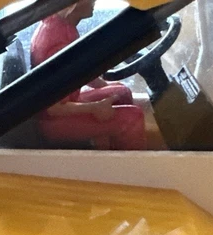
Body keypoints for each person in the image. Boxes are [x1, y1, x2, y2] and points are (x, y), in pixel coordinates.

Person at [30, 0, 147, 150]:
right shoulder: (57, 46)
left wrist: (105, 87)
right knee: (133, 118)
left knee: (121, 92)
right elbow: (54, 108)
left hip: (64, 105)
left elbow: (78, 71)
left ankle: (111, 152)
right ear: (73, 5)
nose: (94, 2)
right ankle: (130, 170)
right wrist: (94, 107)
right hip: (54, 121)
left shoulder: (61, 26)